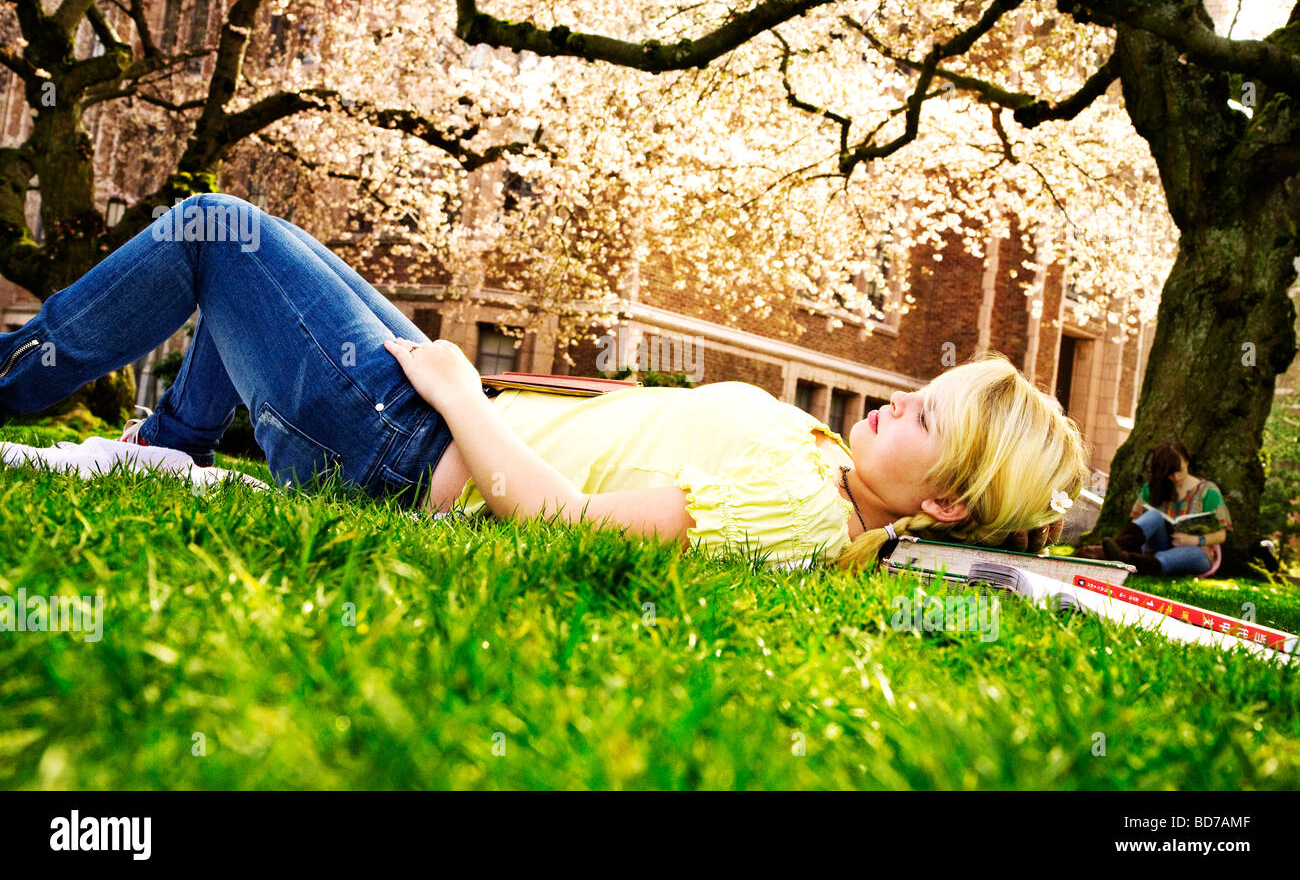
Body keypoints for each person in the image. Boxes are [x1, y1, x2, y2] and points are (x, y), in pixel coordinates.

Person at [0, 193, 1090, 572]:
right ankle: (170, 445)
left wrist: (460, 397)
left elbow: (563, 524)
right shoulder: (835, 481)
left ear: (942, 499)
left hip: (406, 455)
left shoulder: (797, 506)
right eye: (916, 392)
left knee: (217, 229)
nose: (896, 399)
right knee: (265, 243)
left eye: (922, 418)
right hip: (431, 424)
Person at [1101, 439, 1231, 577]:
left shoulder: (1208, 491)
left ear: (1187, 461)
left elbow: (1221, 535)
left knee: (1192, 554)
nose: (1176, 477)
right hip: (1158, 546)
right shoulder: (1153, 488)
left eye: (1179, 470)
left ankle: (1128, 561)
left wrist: (1194, 540)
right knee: (1154, 516)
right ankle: (1115, 550)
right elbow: (1137, 521)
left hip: (1195, 551)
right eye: (1170, 473)